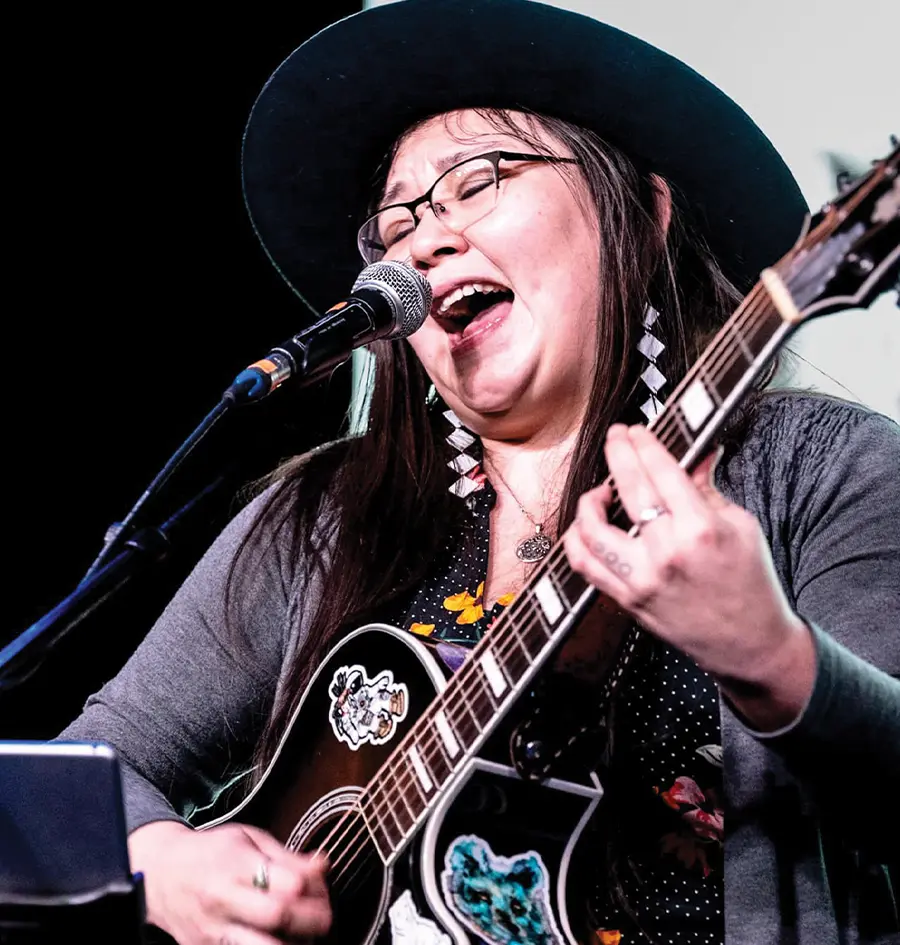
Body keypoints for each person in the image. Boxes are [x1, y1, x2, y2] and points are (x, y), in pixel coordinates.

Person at [56, 1, 900, 943]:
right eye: (396, 224)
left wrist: (771, 659)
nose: (424, 240)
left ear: (645, 213)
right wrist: (156, 858)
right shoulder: (323, 517)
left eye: (477, 180)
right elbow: (82, 772)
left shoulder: (823, 469)